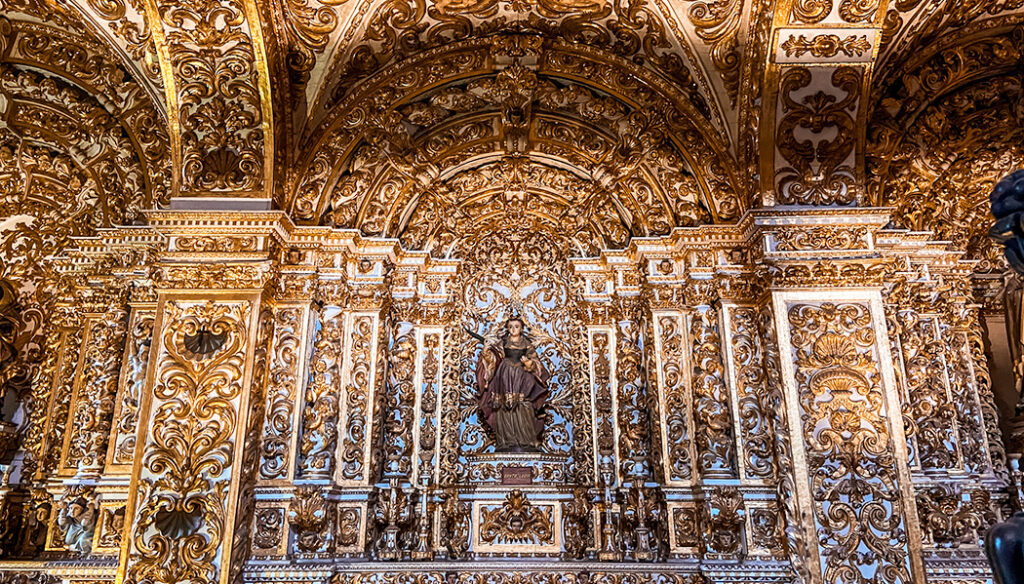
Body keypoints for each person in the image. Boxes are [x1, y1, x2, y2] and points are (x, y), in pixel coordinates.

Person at [475, 317, 550, 452]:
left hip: (522, 375)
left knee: (524, 403)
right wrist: (486, 351)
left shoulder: (526, 343)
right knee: (504, 405)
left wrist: (530, 363)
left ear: (521, 329)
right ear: (507, 328)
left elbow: (535, 361)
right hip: (505, 374)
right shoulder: (503, 342)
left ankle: (525, 440)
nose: (513, 329)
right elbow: (494, 357)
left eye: (516, 326)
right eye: (511, 326)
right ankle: (506, 440)